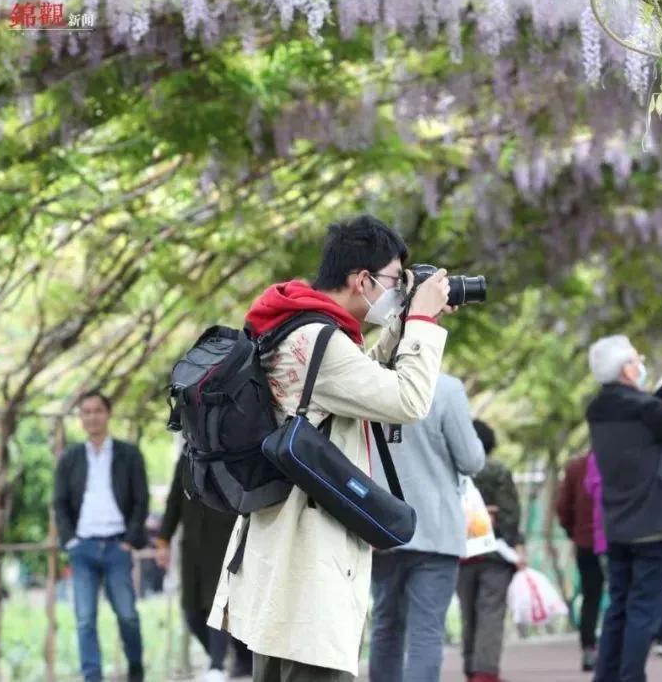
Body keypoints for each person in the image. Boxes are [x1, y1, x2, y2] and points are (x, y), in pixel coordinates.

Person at [208, 214, 454, 682]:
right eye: (394, 281)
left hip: (277, 545)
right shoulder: (319, 339)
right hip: (309, 559)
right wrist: (420, 318)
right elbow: (407, 400)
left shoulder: (294, 326)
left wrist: (407, 323)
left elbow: (359, 379)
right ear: (362, 280)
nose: (400, 291)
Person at [586, 335, 662, 682]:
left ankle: (606, 677)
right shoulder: (642, 410)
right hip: (654, 522)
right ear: (626, 368)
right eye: (636, 360)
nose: (640, 365)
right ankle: (631, 676)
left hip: (619, 523)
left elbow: (647, 415)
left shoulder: (599, 409)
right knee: (643, 610)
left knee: (619, 608)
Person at [368, 374, 486, 682]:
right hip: (435, 529)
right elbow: (471, 460)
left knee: (385, 626)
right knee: (427, 632)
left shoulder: (367, 380)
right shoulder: (445, 388)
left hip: (380, 527)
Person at [53, 389, 149, 682]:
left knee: (127, 615)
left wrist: (129, 540)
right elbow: (59, 502)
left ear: (108, 414)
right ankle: (92, 676)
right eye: (86, 412)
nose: (92, 417)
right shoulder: (70, 457)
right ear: (80, 419)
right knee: (84, 620)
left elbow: (141, 499)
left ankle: (135, 667)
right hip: (82, 548)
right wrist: (70, 540)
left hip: (116, 546)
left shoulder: (128, 454)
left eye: (97, 410)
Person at [156, 457, 253, 682]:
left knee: (219, 605)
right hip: (193, 548)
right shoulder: (186, 460)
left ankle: (217, 666)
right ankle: (238, 658)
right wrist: (163, 539)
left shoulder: (236, 454)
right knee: (191, 611)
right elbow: (174, 503)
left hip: (226, 544)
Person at [457, 420, 525, 682]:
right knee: (491, 613)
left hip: (461, 554)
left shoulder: (456, 471)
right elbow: (510, 516)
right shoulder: (497, 472)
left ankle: (469, 668)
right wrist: (517, 545)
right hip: (495, 554)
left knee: (468, 614)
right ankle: (484, 673)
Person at [556, 451, 604, 672]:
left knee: (590, 595)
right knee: (627, 593)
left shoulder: (576, 466)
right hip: (620, 541)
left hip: (587, 539)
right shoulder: (623, 460)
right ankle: (623, 648)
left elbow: (563, 505)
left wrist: (572, 530)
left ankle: (589, 648)